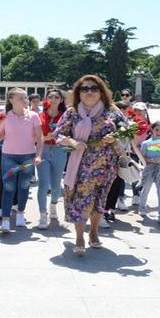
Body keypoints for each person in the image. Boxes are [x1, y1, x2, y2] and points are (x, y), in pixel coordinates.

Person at [54, 75, 123, 255]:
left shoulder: (112, 111)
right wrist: (73, 142)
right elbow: (58, 135)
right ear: (78, 92)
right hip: (81, 167)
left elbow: (126, 128)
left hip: (106, 166)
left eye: (94, 88)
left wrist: (115, 136)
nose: (89, 92)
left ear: (101, 91)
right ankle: (79, 237)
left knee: (99, 200)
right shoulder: (72, 112)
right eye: (85, 89)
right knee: (81, 201)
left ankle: (93, 231)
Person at [0, 88, 43, 233]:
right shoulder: (3, 116)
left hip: (27, 156)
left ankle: (20, 214)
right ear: (11, 100)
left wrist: (38, 155)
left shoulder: (34, 115)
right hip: (9, 156)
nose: (25, 100)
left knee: (24, 186)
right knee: (8, 187)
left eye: (25, 98)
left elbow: (40, 137)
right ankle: (5, 219)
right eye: (21, 98)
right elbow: (0, 136)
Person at [36, 89, 68, 229]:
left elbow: (70, 134)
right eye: (50, 97)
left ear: (61, 100)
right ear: (46, 99)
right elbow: (34, 136)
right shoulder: (39, 115)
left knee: (56, 185)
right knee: (43, 184)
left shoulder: (66, 116)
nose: (53, 99)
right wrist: (44, 138)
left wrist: (60, 138)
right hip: (43, 150)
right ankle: (43, 214)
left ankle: (53, 205)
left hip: (59, 150)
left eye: (56, 97)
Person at [138, 121, 160, 225]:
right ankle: (142, 206)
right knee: (146, 189)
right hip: (149, 170)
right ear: (152, 129)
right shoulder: (146, 143)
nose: (158, 132)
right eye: (156, 129)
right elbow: (142, 158)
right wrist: (151, 160)